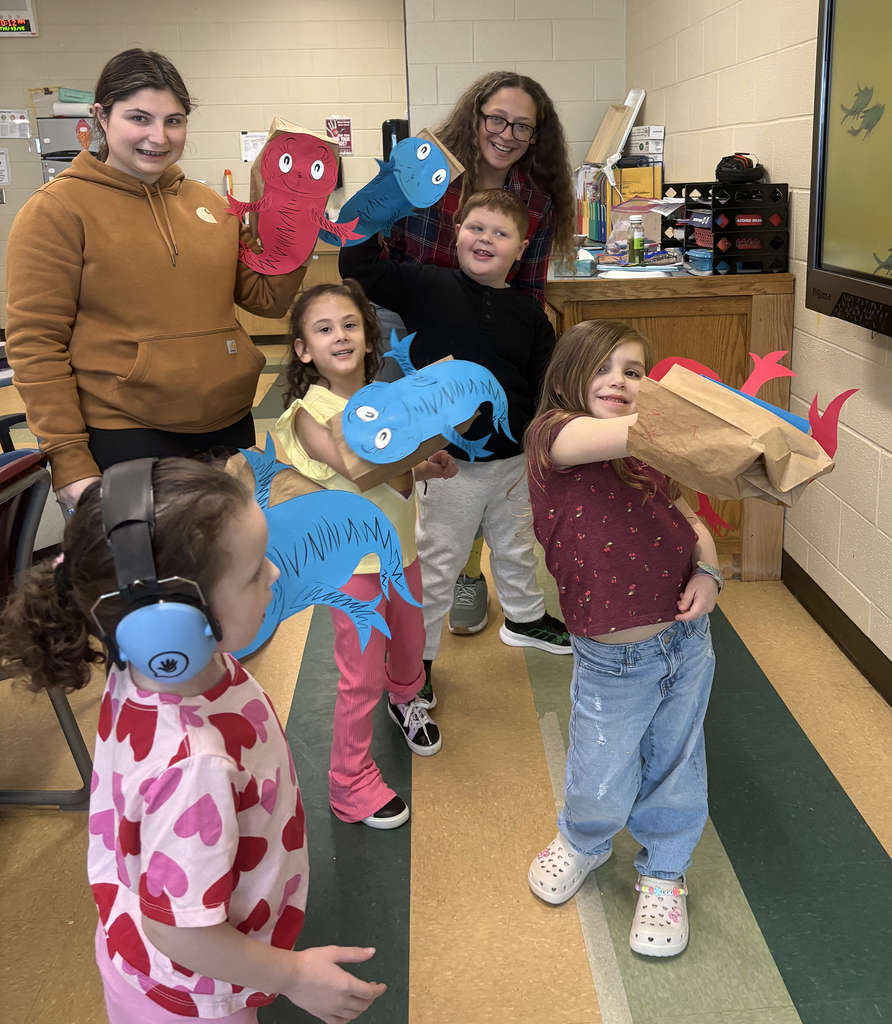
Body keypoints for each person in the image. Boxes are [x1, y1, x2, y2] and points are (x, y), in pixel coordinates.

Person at [0, 458, 386, 1022]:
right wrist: (294, 974)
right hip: (194, 997)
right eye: (254, 572)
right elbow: (183, 931)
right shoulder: (191, 765)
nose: (275, 573)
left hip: (153, 942)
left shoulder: (153, 664)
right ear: (169, 627)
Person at [5, 48, 305, 517]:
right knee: (151, 583)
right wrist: (69, 461)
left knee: (230, 575)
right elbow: (36, 344)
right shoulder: (56, 210)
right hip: (125, 434)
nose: (158, 137)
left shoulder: (211, 204)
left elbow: (264, 299)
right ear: (101, 117)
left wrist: (295, 230)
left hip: (228, 426)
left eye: (174, 121)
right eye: (140, 118)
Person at [524, 320, 723, 958]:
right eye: (603, 368)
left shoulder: (650, 450)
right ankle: (583, 839)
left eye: (634, 372)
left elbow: (687, 518)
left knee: (677, 760)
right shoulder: (553, 435)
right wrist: (717, 420)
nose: (619, 381)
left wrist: (711, 570)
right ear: (567, 377)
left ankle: (665, 869)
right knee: (601, 765)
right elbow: (624, 431)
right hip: (612, 657)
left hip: (685, 642)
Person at [341, 189, 571, 711]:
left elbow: (543, 386)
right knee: (438, 564)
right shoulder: (425, 284)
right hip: (449, 467)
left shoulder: (531, 315)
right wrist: (378, 207)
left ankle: (526, 617)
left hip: (512, 462)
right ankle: (414, 661)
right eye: (476, 228)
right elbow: (360, 266)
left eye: (501, 232)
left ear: (521, 248)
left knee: (515, 546)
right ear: (456, 234)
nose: (486, 239)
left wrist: (540, 446)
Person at [381, 71, 576, 637]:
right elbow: (383, 252)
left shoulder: (536, 197)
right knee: (415, 462)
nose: (508, 133)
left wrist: (517, 346)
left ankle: (473, 576)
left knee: (488, 464)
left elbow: (530, 286)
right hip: (415, 315)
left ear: (537, 135)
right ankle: (410, 570)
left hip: (488, 321)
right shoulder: (429, 171)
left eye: (523, 125)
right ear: (476, 116)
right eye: (498, 118)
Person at [276, 281, 456, 829]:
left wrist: (426, 464)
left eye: (350, 324)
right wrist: (427, 430)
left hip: (402, 552)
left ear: (369, 337)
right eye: (324, 328)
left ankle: (405, 699)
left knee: (410, 643)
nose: (340, 335)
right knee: (359, 678)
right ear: (304, 349)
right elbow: (361, 466)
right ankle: (348, 782)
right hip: (352, 568)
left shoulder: (377, 401)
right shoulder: (310, 411)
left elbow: (387, 475)